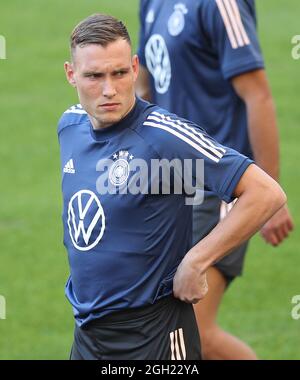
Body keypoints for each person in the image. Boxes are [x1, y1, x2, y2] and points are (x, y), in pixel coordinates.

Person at [58, 13, 286, 360]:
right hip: (88, 336)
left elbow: (265, 193)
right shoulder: (70, 126)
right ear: (71, 74)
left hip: (155, 339)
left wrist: (196, 260)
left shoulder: (164, 137)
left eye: (119, 73)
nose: (109, 89)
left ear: (135, 68)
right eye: (94, 76)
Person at [136, 0, 294, 359]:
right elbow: (145, 86)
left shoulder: (220, 4)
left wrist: (269, 199)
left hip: (219, 187)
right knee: (165, 334)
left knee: (195, 333)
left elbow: (258, 94)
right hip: (168, 188)